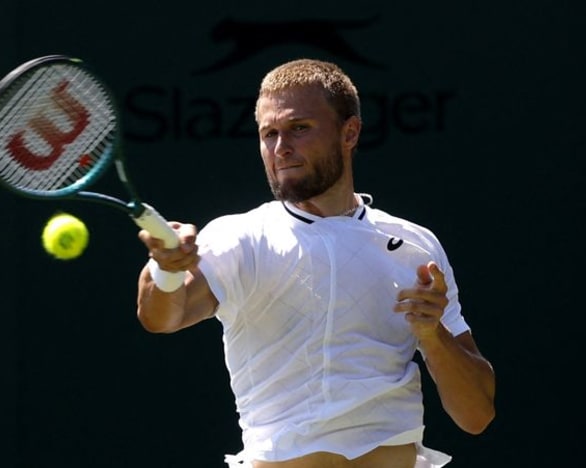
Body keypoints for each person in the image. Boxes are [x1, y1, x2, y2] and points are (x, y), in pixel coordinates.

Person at [136, 58, 495, 468]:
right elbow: (161, 317)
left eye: (299, 129)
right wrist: (165, 268)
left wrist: (433, 336)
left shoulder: (416, 246)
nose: (280, 148)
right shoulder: (241, 237)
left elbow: (477, 415)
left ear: (350, 132)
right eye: (268, 134)